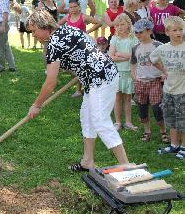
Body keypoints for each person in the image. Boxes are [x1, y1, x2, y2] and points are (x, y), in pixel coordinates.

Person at [26, 9, 129, 171]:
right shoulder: (69, 28)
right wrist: (83, 64)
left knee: (100, 121)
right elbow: (91, 43)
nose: (34, 35)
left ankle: (126, 166)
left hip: (101, 79)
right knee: (87, 117)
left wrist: (37, 105)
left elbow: (50, 82)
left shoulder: (53, 45)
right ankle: (87, 161)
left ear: (43, 26)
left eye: (34, 31)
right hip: (96, 77)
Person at [149, 17, 185, 157]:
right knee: (171, 119)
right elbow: (152, 59)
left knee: (182, 120)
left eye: (181, 29)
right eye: (175, 30)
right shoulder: (163, 48)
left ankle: (183, 147)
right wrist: (163, 70)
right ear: (167, 32)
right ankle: (174, 145)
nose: (178, 33)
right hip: (168, 90)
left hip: (182, 91)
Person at [130, 19, 167, 142]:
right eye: (136, 32)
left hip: (155, 81)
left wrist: (163, 73)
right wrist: (135, 77)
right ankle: (147, 131)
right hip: (140, 82)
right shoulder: (135, 47)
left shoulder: (158, 46)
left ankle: (163, 131)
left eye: (141, 32)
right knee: (142, 108)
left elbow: (165, 62)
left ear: (149, 31)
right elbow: (133, 63)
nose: (138, 35)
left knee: (157, 108)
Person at [109, 13, 139, 132]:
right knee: (117, 98)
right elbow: (111, 56)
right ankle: (117, 122)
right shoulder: (114, 38)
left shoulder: (133, 38)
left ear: (128, 25)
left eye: (122, 24)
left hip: (128, 72)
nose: (120, 27)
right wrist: (126, 57)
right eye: (117, 25)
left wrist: (120, 54)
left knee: (127, 98)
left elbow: (135, 55)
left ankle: (128, 122)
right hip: (117, 72)